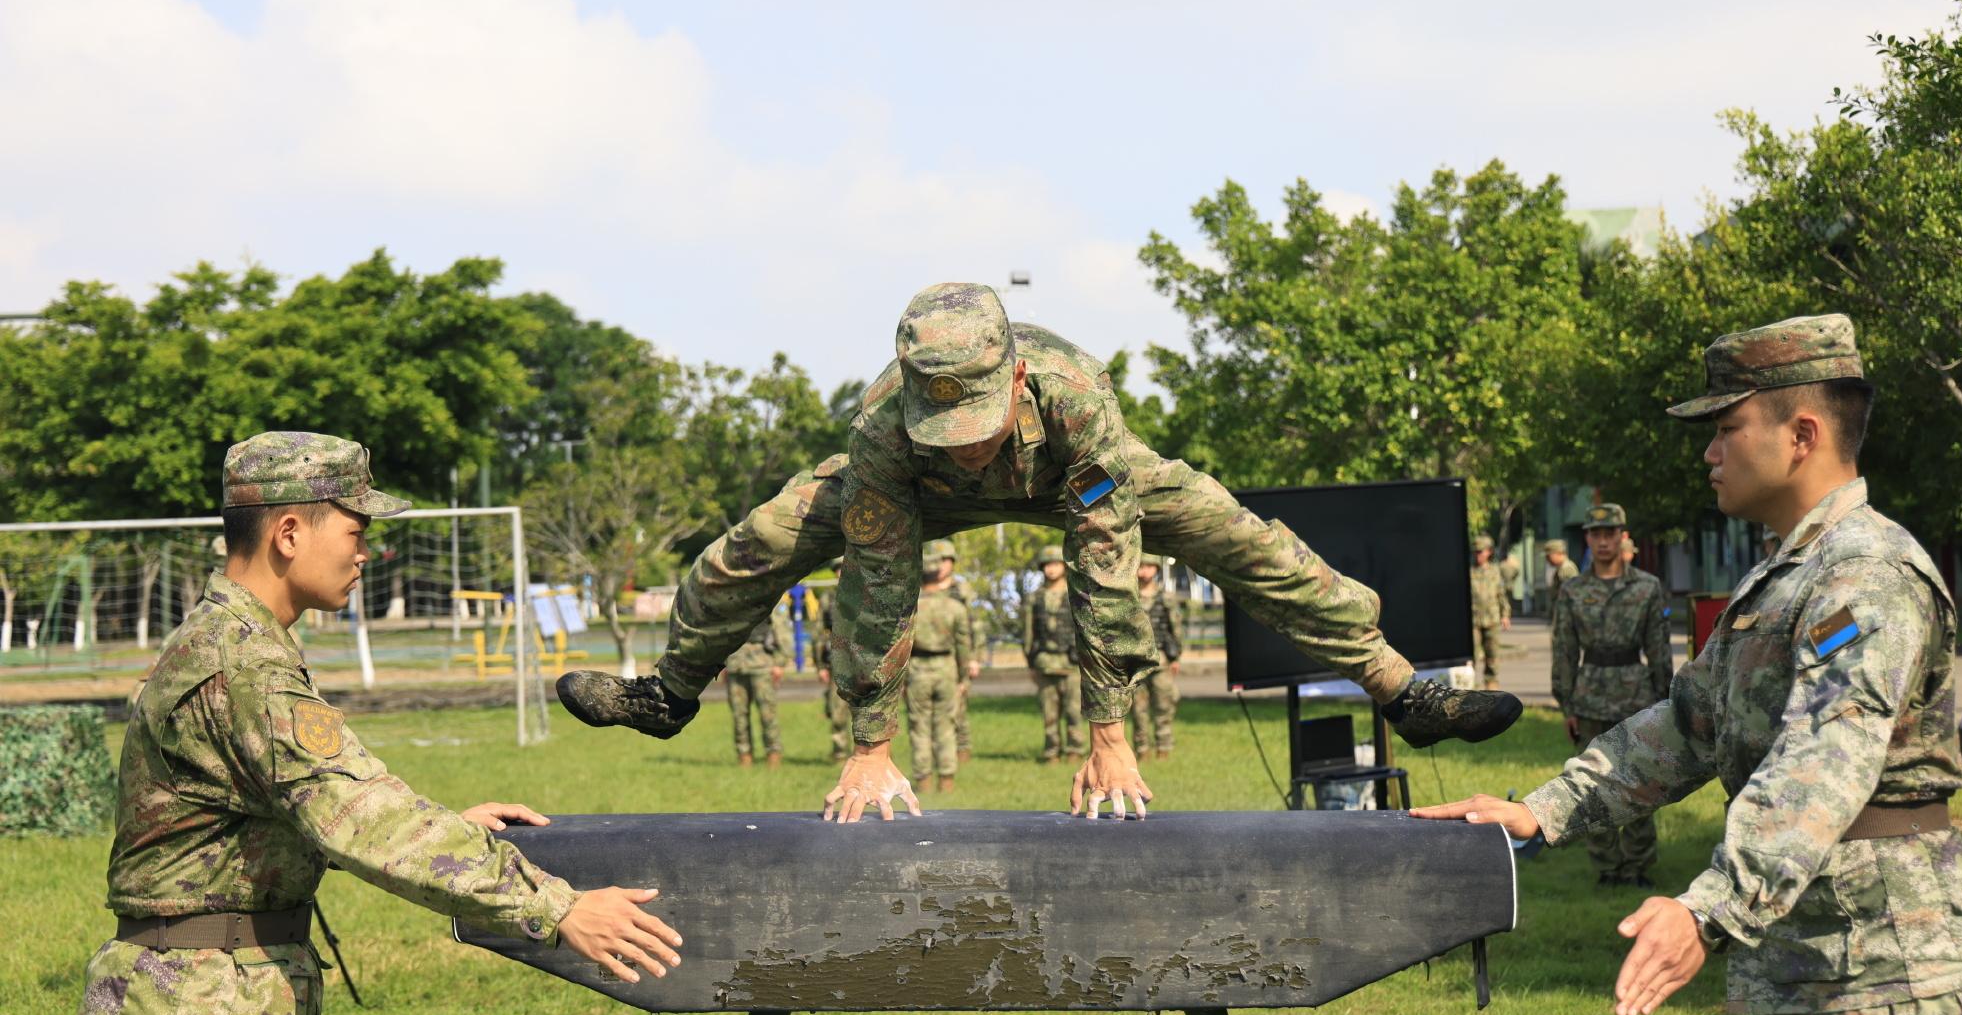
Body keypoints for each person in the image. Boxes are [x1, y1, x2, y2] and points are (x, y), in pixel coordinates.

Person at [561, 283, 1521, 824]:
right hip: (917, 502)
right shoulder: (886, 435)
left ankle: (1404, 690)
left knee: (1244, 538)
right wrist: (870, 749)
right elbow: (879, 585)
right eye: (945, 421)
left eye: (975, 419)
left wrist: (1111, 733)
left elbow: (1105, 565)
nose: (967, 438)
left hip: (1068, 474)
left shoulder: (1075, 395)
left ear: (1014, 374)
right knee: (757, 541)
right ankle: (665, 694)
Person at [1415, 315, 1962, 1015]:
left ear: (1801, 434)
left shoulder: (1868, 574)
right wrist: (1538, 812)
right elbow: (1683, 725)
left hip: (1898, 975)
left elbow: (1825, 753)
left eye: (1727, 427)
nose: (1709, 452)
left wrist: (1707, 908)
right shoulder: (1786, 577)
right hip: (1825, 961)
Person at [70, 433, 680, 1015]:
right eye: (356, 530)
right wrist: (558, 906)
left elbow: (258, 823)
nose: (367, 553)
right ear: (290, 532)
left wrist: (451, 828)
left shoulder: (235, 642)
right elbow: (363, 815)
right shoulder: (243, 665)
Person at [1549, 503, 1673, 888]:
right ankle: (1607, 866)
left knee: (1640, 780)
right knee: (1591, 782)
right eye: (1596, 534)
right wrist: (1566, 703)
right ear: (1587, 537)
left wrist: (1664, 699)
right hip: (1589, 696)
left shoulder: (1646, 587)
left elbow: (1659, 648)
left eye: (1610, 533)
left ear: (1622, 536)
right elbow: (1565, 650)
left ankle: (1637, 865)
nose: (1603, 541)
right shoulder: (1573, 590)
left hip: (1636, 694)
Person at [906, 542, 972, 792]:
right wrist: (963, 677)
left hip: (917, 668)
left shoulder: (911, 609)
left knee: (919, 726)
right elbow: (963, 645)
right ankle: (947, 780)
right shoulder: (955, 607)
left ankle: (922, 780)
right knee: (946, 725)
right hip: (946, 667)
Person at [1023, 543, 1087, 763]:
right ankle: (1051, 752)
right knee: (1049, 713)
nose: (1051, 569)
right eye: (1046, 564)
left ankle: (1075, 751)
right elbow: (1028, 632)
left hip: (1071, 664)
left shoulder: (1076, 595)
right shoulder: (1035, 598)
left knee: (1073, 711)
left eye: (1055, 564)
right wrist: (1030, 662)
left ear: (1064, 566)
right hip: (1044, 662)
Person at [924, 537, 985, 763]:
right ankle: (933, 754)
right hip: (931, 658)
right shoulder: (922, 588)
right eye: (936, 560)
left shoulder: (962, 590)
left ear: (953, 562)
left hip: (958, 656)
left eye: (945, 560)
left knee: (958, 707)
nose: (940, 565)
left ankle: (962, 750)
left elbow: (974, 626)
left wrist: (975, 658)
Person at [1129, 553, 1182, 760]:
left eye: (1149, 567)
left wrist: (1176, 657)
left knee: (1164, 706)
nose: (1144, 571)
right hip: (1136, 663)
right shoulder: (1129, 598)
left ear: (1156, 570)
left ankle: (1164, 748)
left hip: (1161, 662)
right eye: (1141, 567)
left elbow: (1175, 628)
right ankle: (1141, 749)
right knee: (1138, 709)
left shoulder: (1166, 598)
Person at [724, 600, 790, 767]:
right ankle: (744, 755)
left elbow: (781, 630)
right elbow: (721, 632)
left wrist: (780, 663)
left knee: (767, 714)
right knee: (739, 715)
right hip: (735, 663)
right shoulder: (729, 598)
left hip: (762, 663)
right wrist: (720, 663)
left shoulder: (769, 595)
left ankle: (773, 754)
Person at [812, 559, 853, 761]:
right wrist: (820, 665)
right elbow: (819, 633)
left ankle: (870, 756)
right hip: (838, 663)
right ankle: (840, 753)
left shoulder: (869, 596)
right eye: (839, 570)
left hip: (866, 666)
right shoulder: (828, 599)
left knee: (868, 713)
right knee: (837, 712)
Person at [1468, 534, 1510, 690]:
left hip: (1492, 619)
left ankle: (1491, 687)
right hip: (1473, 621)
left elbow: (1501, 594)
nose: (1478, 554)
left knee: (1492, 656)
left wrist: (1505, 615)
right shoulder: (1469, 571)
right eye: (1476, 552)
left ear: (1488, 552)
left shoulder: (1495, 571)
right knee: (1471, 656)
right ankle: (1469, 687)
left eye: (1481, 551)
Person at [1543, 538, 1579, 614]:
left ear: (1558, 553)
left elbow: (1570, 594)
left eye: (1549, 556)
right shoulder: (1561, 568)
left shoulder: (1566, 568)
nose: (1547, 559)